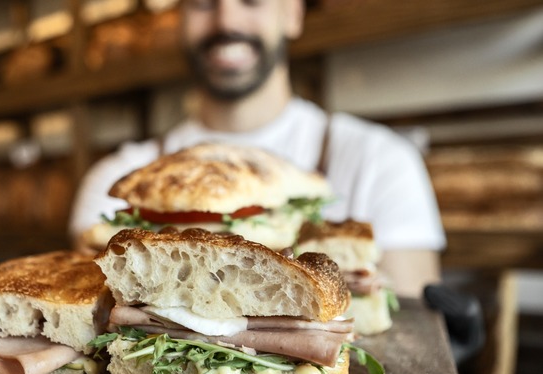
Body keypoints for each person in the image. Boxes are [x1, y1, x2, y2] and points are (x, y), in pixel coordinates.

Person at [69, 0, 445, 298]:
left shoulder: (380, 160)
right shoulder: (116, 179)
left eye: (251, 0)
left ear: (293, 13)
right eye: (202, 2)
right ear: (180, 20)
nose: (226, 19)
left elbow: (416, 331)